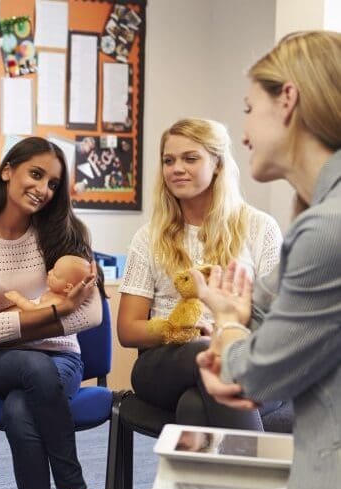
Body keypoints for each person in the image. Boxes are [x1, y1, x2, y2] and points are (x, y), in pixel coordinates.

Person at [188, 30, 341, 489]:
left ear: (288, 100)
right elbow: (264, 305)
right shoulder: (320, 221)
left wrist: (228, 326)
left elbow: (252, 373)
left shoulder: (326, 231)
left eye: (249, 109)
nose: (246, 134)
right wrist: (236, 321)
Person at [0, 137, 102, 489]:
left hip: (62, 361)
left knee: (20, 408)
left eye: (52, 183)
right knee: (33, 364)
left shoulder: (68, 232)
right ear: (7, 170)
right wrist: (59, 311)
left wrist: (14, 318)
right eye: (36, 174)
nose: (43, 189)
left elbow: (92, 314)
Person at [117, 118, 282, 430]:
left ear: (217, 164)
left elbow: (281, 321)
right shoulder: (148, 237)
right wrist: (179, 328)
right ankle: (259, 477)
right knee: (207, 352)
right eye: (169, 160)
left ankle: (220, 480)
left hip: (248, 358)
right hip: (165, 363)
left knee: (195, 405)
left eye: (190, 158)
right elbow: (128, 330)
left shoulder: (261, 228)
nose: (176, 168)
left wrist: (227, 330)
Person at [4, 255, 93, 311]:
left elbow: (34, 310)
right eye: (53, 268)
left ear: (67, 288)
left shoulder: (57, 301)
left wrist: (18, 299)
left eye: (55, 274)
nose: (49, 272)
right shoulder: (53, 291)